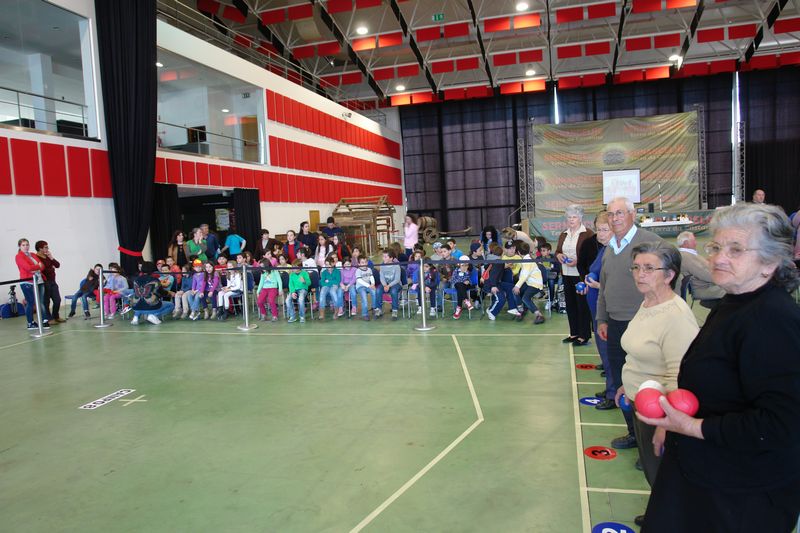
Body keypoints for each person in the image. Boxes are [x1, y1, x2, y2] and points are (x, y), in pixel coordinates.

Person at [637, 202, 800, 532]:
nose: (719, 257)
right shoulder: (736, 301)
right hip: (703, 473)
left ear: (770, 262)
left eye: (736, 249)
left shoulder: (773, 318)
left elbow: (781, 423)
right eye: (715, 247)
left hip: (739, 496)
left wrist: (692, 427)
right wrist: (675, 421)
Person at [614, 242, 699, 526]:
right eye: (637, 267)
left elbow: (680, 373)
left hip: (662, 414)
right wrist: (628, 383)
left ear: (670, 274)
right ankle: (661, 514)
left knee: (664, 476)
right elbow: (642, 353)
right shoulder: (648, 303)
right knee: (654, 473)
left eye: (650, 268)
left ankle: (669, 522)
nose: (640, 274)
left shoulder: (676, 315)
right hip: (641, 405)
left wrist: (666, 425)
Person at [597, 197, 663, 450]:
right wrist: (602, 318)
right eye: (611, 214)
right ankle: (634, 434)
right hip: (614, 325)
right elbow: (604, 287)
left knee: (647, 383)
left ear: (632, 215)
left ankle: (651, 443)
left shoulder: (650, 242)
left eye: (620, 213)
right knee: (623, 380)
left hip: (643, 325)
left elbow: (673, 276)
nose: (614, 218)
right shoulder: (610, 248)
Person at [581, 213, 614, 409]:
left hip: (606, 310)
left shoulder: (614, 252)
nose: (600, 234)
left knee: (609, 352)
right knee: (604, 351)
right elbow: (595, 270)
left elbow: (616, 284)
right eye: (598, 229)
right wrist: (589, 281)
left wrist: (597, 285)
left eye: (604, 230)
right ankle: (610, 387)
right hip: (597, 308)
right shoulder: (604, 250)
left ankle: (613, 393)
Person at [555, 204, 594, 346]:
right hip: (566, 274)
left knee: (582, 305)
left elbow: (592, 255)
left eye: (574, 217)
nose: (571, 220)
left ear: (581, 218)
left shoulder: (588, 234)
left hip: (581, 274)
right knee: (570, 305)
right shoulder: (563, 234)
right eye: (569, 217)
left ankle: (584, 335)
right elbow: (558, 251)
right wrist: (558, 255)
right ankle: (574, 333)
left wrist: (578, 261)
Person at [675, 231, 725, 308]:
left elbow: (702, 269)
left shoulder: (688, 255)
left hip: (709, 285)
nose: (696, 243)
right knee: (737, 289)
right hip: (706, 288)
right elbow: (706, 275)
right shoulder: (686, 257)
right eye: (694, 240)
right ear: (686, 243)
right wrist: (725, 277)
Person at [14, 238, 51, 330]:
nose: (26, 247)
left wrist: (36, 267)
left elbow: (43, 267)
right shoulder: (19, 256)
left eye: (27, 244)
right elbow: (28, 268)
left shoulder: (33, 254)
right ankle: (30, 323)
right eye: (23, 245)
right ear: (19, 246)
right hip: (28, 282)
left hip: (39, 280)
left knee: (41, 302)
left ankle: (44, 321)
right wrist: (38, 266)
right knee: (31, 302)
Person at [512, 241, 546, 324]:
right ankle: (521, 310)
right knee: (515, 291)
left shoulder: (527, 261)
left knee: (525, 298)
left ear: (518, 252)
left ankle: (539, 315)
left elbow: (524, 275)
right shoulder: (526, 259)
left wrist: (517, 286)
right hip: (529, 283)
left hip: (535, 284)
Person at [32, 240, 63, 323]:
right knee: (46, 302)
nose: (48, 249)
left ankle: (56, 316)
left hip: (53, 281)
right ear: (40, 248)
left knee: (57, 300)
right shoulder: (36, 258)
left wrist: (51, 257)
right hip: (44, 282)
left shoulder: (47, 256)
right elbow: (42, 269)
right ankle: (49, 319)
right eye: (46, 247)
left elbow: (57, 265)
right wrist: (51, 268)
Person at [375, 248, 402, 320]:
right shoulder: (382, 265)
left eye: (385, 257)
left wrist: (388, 286)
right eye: (383, 256)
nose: (383, 258)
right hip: (385, 284)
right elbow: (382, 277)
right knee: (378, 290)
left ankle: (394, 310)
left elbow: (397, 279)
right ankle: (379, 309)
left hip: (395, 284)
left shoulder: (396, 266)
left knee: (393, 291)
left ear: (391, 258)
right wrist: (384, 285)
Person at [355, 256, 376, 320]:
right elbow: (359, 280)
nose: (364, 264)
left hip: (368, 286)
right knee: (364, 297)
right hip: (360, 287)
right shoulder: (358, 271)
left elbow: (371, 277)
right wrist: (369, 285)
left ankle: (374, 308)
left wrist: (373, 284)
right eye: (362, 262)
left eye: (365, 262)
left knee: (374, 292)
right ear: (359, 264)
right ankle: (365, 314)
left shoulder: (369, 269)